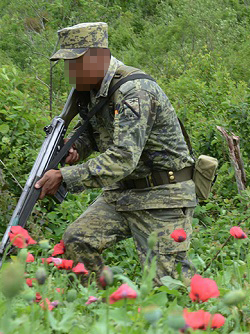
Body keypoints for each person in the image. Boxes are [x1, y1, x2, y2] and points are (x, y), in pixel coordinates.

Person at [34, 22, 196, 284]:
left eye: (74, 63)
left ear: (98, 57)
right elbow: (93, 130)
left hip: (162, 195)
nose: (69, 72)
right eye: (67, 65)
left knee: (167, 286)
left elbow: (123, 157)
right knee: (78, 240)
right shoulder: (92, 90)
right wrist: (76, 148)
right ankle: (104, 310)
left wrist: (65, 176)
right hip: (123, 193)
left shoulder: (135, 92)